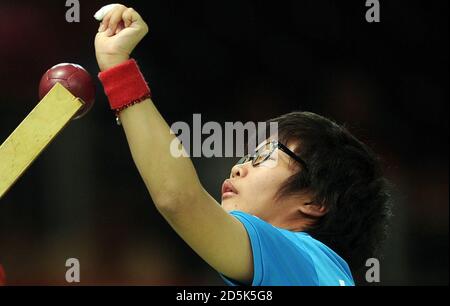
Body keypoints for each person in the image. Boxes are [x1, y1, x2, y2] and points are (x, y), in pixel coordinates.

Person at [94, 4, 391, 286]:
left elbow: (178, 198)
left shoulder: (301, 255)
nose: (237, 168)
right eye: (247, 156)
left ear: (314, 202)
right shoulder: (314, 272)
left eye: (263, 158)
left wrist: (118, 71)